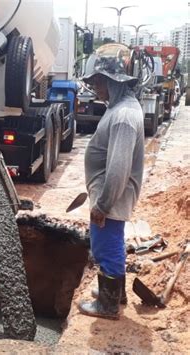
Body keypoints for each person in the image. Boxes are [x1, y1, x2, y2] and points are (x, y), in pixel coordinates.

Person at [78, 44, 145, 320]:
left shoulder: (123, 117)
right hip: (110, 193)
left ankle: (107, 305)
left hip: (112, 196)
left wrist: (102, 206)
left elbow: (118, 168)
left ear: (110, 80)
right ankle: (115, 293)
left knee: (106, 245)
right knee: (110, 243)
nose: (95, 89)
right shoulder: (119, 108)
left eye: (98, 83)